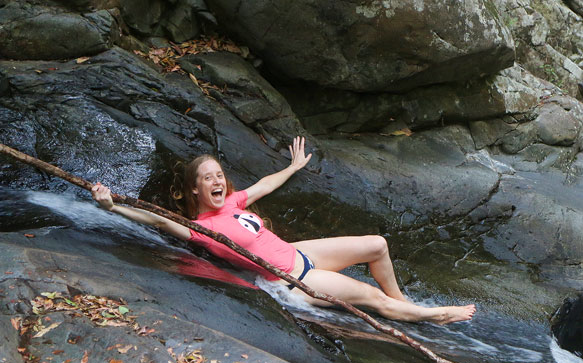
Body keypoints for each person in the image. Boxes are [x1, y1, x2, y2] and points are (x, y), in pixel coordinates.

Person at [91, 136, 475, 324]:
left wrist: (291, 168)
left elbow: (263, 185)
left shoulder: (232, 202)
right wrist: (113, 207)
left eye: (219, 175)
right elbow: (158, 220)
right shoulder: (199, 228)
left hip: (299, 252)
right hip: (290, 280)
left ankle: (403, 300)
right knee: (370, 297)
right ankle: (433, 315)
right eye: (208, 178)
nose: (217, 181)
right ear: (195, 188)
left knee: (377, 244)